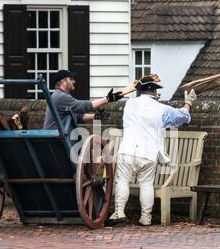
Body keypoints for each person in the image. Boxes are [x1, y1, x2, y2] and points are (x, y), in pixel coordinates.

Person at [105, 76, 197, 227]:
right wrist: (188, 103)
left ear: (140, 91)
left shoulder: (129, 104)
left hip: (127, 149)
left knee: (122, 180)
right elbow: (183, 117)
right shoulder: (161, 109)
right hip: (148, 152)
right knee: (146, 184)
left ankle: (119, 212)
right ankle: (146, 217)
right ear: (154, 91)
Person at [43, 69, 122, 129]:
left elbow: (76, 116)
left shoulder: (60, 95)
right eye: (71, 79)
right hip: (55, 139)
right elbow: (82, 106)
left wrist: (95, 116)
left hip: (56, 137)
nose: (74, 81)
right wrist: (108, 99)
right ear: (63, 82)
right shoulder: (60, 97)